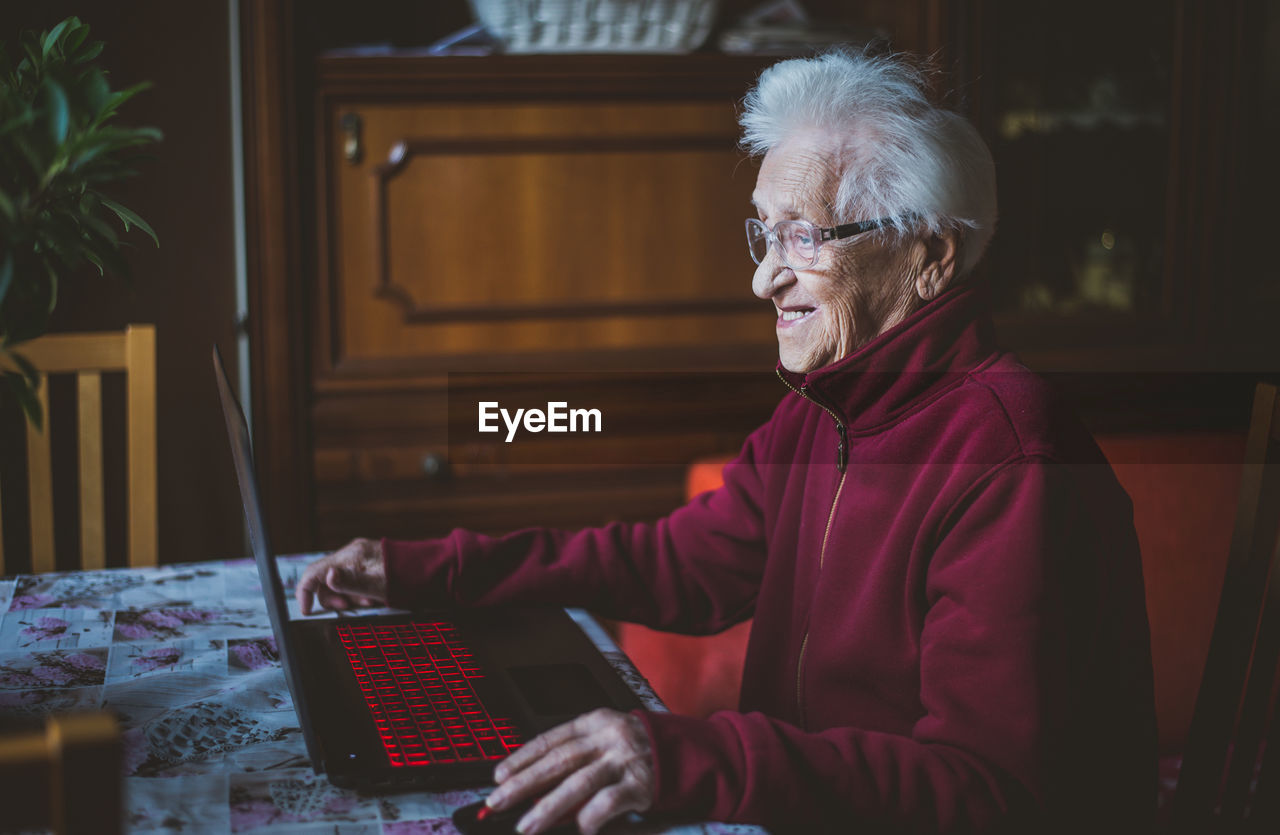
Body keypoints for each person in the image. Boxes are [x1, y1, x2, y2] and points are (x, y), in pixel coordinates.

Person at [297, 50, 1157, 834]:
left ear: (929, 252)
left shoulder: (1013, 460)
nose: (763, 276)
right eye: (764, 230)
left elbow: (987, 792)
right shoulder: (826, 407)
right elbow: (678, 565)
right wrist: (431, 569)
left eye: (804, 235)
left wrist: (689, 757)